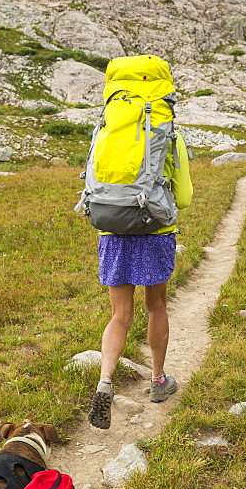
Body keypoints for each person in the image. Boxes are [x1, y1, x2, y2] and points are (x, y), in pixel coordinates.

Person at [88, 139, 193, 430]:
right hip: (155, 229)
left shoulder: (107, 130)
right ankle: (158, 381)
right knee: (155, 305)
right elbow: (183, 197)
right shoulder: (170, 135)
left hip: (113, 228)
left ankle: (105, 381)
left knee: (120, 315)